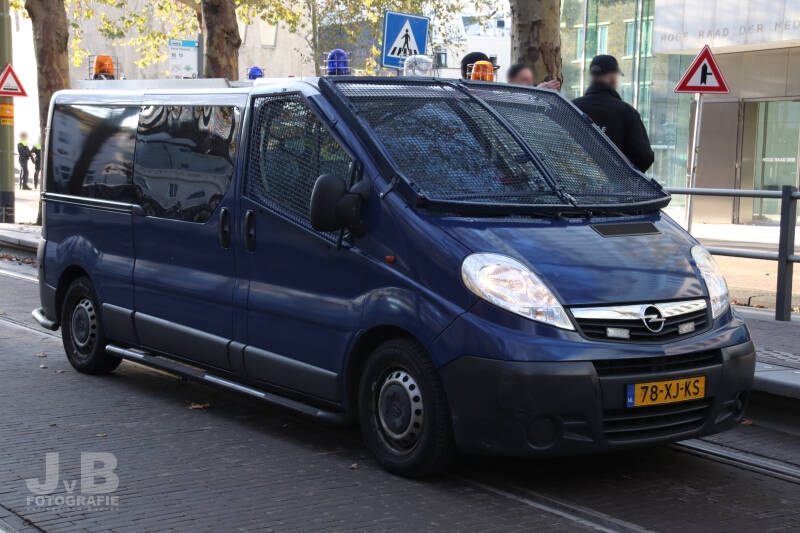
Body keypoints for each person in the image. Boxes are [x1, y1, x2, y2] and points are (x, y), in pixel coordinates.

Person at [572, 55, 654, 172]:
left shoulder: (572, 108)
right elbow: (644, 157)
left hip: (575, 185)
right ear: (612, 78)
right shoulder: (626, 112)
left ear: (591, 77)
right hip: (615, 188)